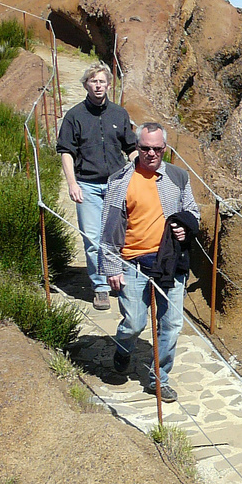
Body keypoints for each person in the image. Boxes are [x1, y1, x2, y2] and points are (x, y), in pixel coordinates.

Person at [100, 123, 200, 402]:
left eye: (157, 148)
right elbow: (109, 228)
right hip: (132, 262)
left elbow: (192, 210)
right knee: (133, 323)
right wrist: (111, 268)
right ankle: (123, 348)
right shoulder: (120, 181)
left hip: (169, 261)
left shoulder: (178, 177)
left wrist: (185, 227)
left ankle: (160, 379)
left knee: (171, 324)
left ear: (164, 149)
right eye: (145, 148)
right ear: (137, 147)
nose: (151, 153)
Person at [56, 63, 136, 311]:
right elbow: (66, 151)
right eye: (93, 82)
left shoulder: (119, 114)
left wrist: (141, 176)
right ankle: (100, 287)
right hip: (87, 185)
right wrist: (72, 183)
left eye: (102, 81)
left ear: (109, 85)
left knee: (117, 236)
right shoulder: (74, 116)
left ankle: (119, 277)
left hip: (117, 184)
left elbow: (131, 148)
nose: (98, 86)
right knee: (92, 237)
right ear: (86, 85)